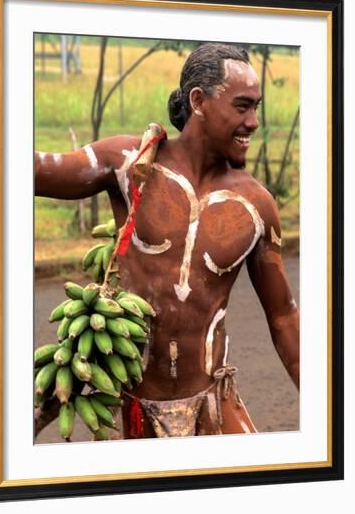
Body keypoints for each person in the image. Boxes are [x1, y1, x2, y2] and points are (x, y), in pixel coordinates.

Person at [35, 43, 299, 439]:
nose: (254, 122)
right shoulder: (129, 164)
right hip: (134, 408)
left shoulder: (257, 206)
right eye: (242, 106)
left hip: (214, 404)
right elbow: (36, 170)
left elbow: (283, 316)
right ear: (198, 101)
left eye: (256, 107)